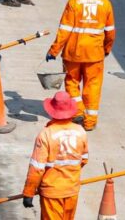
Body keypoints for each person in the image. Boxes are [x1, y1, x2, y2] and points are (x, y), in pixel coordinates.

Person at [45, 0, 115, 131]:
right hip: (94, 54)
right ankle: (90, 122)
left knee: (72, 82)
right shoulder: (105, 3)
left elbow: (64, 30)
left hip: (73, 52)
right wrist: (107, 48)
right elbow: (110, 31)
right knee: (93, 86)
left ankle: (78, 111)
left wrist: (54, 50)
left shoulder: (74, 2)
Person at [22, 91, 89, 220]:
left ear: (51, 111)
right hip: (71, 190)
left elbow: (37, 168)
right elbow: (84, 160)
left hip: (52, 192)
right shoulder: (80, 132)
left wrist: (29, 192)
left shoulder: (46, 134)